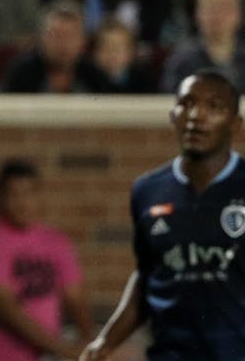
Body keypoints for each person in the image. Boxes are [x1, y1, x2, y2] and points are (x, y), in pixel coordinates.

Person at [81, 71, 245, 360]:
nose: (197, 115)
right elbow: (147, 276)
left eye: (214, 106)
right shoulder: (148, 191)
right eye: (187, 103)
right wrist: (105, 342)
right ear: (173, 115)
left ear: (236, 125)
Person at [0, 160, 92, 361]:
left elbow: (74, 296)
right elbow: (4, 307)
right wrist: (65, 350)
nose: (22, 203)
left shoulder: (56, 241)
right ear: (0, 198)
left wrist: (92, 343)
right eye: (14, 195)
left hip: (41, 355)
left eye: (30, 194)